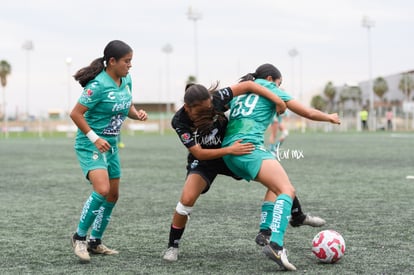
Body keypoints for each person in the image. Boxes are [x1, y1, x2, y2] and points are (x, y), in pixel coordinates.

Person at [163, 81, 324, 262]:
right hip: (205, 160)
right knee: (186, 200)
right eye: (202, 110)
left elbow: (248, 85)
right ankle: (172, 246)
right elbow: (198, 152)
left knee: (276, 182)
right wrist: (229, 151)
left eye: (210, 107)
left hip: (231, 152)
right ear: (188, 108)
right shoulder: (179, 121)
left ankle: (296, 216)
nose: (209, 111)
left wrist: (277, 99)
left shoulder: (216, 98)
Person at [222, 63, 340, 270]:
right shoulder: (270, 88)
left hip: (230, 154)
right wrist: (329, 117)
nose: (280, 87)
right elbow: (308, 113)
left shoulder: (240, 92)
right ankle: (276, 245)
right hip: (249, 149)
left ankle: (265, 231)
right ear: (270, 80)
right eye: (279, 83)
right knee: (287, 190)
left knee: (275, 186)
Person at [69, 40, 148, 262]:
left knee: (113, 195)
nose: (130, 65)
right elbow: (75, 114)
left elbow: (127, 107)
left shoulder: (126, 80)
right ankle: (79, 237)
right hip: (90, 145)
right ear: (112, 61)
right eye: (127, 61)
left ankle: (95, 241)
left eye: (131, 61)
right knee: (102, 190)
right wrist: (94, 138)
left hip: (111, 145)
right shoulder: (97, 85)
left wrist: (137, 114)